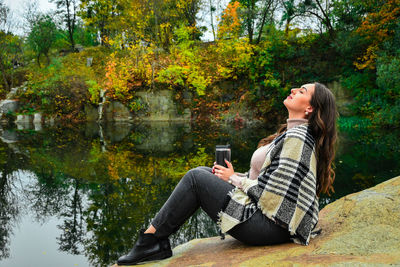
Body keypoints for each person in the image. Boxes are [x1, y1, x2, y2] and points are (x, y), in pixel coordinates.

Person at [117, 82, 337, 265]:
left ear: (309, 108)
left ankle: (150, 242)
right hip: (269, 222)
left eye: (302, 91)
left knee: (196, 177)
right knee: (204, 173)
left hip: (269, 227)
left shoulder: (298, 138)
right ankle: (154, 241)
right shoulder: (292, 134)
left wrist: (233, 178)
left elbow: (276, 200)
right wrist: (232, 176)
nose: (293, 90)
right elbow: (268, 181)